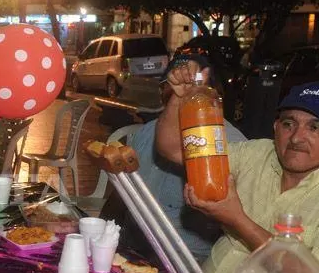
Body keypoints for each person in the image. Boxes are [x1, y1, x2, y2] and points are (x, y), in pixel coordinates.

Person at [155, 66, 319, 273]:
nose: (296, 137)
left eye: (315, 128)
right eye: (288, 124)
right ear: (275, 128)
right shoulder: (259, 153)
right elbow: (174, 149)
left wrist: (238, 221)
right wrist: (180, 98)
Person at [105, 56, 247, 262]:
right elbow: (120, 196)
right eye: (173, 87)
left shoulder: (230, 144)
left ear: (215, 93)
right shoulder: (146, 133)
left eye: (197, 86)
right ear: (163, 92)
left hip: (186, 262)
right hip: (131, 248)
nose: (187, 94)